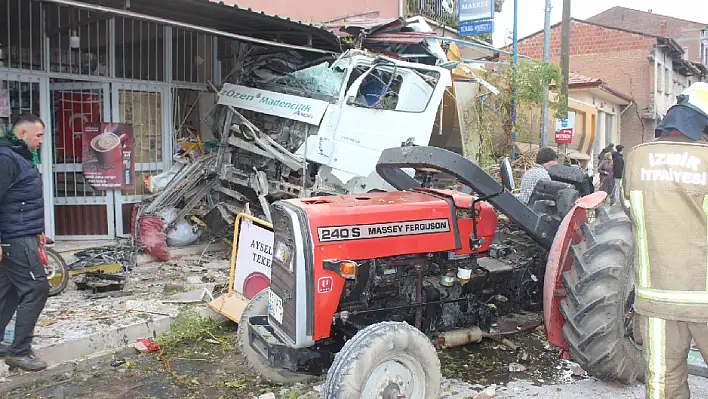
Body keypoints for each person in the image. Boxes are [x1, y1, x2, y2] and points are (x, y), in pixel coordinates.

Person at [622, 81, 708, 398]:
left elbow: (629, 210)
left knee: (663, 382)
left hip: (656, 298)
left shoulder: (636, 158)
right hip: (704, 296)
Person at [0, 114, 49, 371]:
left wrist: (37, 229)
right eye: (38, 135)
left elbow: (23, 199)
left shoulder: (21, 157)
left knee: (7, 290)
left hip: (23, 233)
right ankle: (19, 351)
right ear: (22, 134)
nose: (41, 141)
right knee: (36, 288)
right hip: (14, 238)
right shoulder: (7, 159)